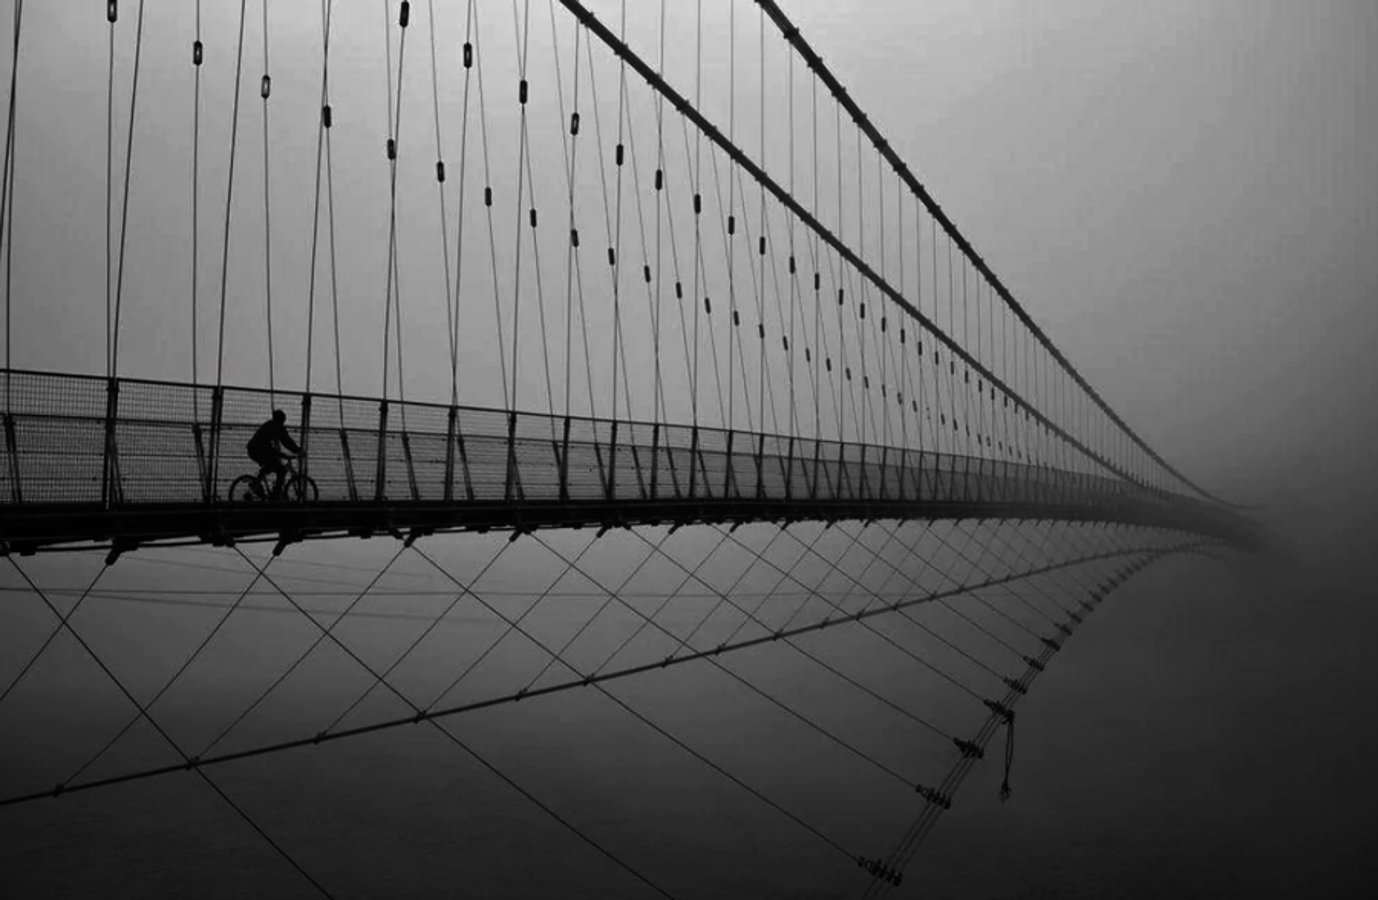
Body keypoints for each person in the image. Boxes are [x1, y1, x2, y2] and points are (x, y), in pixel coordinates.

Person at [247, 409, 302, 499]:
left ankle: (256, 483)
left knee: (270, 466)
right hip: (261, 450)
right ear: (282, 419)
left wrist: (280, 454)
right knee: (281, 471)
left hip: (254, 449)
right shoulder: (278, 427)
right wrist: (298, 450)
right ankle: (275, 496)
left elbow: (271, 445)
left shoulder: (269, 424)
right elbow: (286, 441)